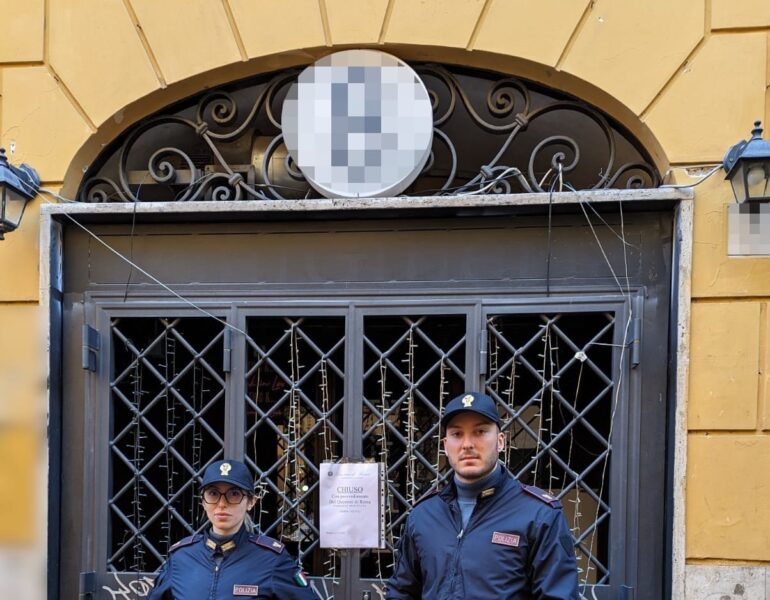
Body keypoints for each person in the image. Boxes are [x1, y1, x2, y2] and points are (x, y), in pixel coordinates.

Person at [385, 392, 579, 599]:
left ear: (501, 441)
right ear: (445, 446)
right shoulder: (423, 515)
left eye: (480, 432)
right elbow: (402, 592)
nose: (467, 444)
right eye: (457, 434)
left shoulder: (539, 515)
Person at [148, 459, 317, 599]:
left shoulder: (271, 559)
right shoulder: (181, 557)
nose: (222, 504)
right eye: (213, 494)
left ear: (251, 502)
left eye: (234, 494)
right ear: (203, 502)